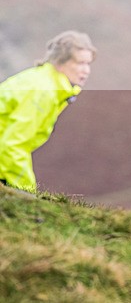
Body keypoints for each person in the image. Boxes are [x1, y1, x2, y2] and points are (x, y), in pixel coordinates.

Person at [0, 30, 96, 192]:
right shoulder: (44, 91)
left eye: (88, 64)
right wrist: (27, 193)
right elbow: (12, 146)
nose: (86, 71)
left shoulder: (44, 81)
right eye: (80, 63)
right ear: (60, 62)